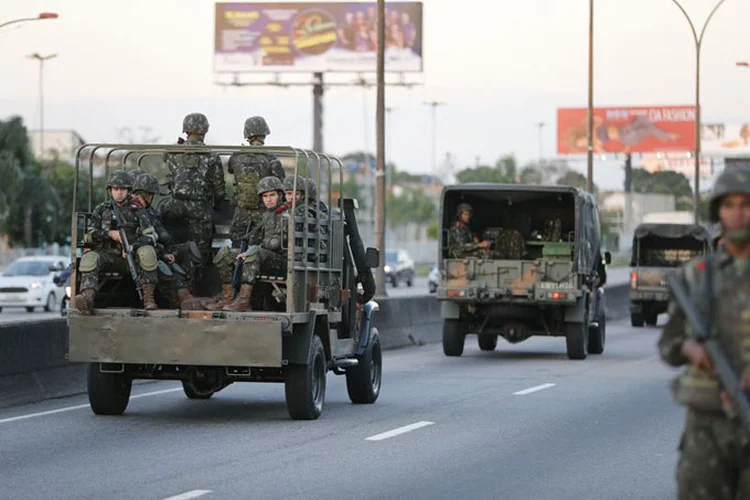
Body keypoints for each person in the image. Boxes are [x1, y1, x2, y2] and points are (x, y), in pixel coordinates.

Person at [658, 165, 750, 499]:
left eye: (745, 204)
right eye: (729, 205)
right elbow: (668, 346)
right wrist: (691, 350)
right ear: (718, 212)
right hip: (707, 427)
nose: (737, 214)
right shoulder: (697, 276)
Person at [73, 170, 160, 314]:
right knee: (89, 258)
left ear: (128, 190)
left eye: (123, 189)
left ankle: (149, 299)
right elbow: (90, 235)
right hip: (108, 256)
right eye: (115, 189)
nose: (119, 192)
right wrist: (109, 234)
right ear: (110, 190)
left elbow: (151, 236)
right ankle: (87, 300)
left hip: (132, 258)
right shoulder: (102, 209)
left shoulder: (138, 210)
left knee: (148, 253)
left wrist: (133, 246)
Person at [206, 176, 288, 312]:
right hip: (262, 258)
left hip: (281, 262)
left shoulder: (285, 214)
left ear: (280, 195)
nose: (268, 199)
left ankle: (244, 301)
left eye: (272, 195)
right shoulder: (266, 215)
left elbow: (274, 244)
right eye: (265, 196)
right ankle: (228, 297)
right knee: (225, 254)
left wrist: (252, 250)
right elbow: (257, 241)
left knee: (254, 252)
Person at [130, 173, 204, 310]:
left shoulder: (149, 211)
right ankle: (177, 298)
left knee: (189, 249)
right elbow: (135, 237)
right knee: (164, 266)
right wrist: (163, 252)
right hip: (142, 251)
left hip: (158, 248)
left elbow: (162, 235)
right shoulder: (130, 210)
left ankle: (188, 292)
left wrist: (170, 250)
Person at [162, 112, 226, 271]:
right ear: (205, 130)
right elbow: (219, 191)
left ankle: (175, 284)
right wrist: (217, 206)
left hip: (174, 206)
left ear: (186, 129)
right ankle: (198, 288)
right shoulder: (211, 156)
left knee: (173, 244)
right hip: (200, 210)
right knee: (201, 250)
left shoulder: (173, 152)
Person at [227, 116, 285, 249]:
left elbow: (230, 169)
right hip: (263, 211)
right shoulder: (271, 158)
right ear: (264, 133)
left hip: (241, 211)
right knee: (259, 246)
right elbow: (281, 182)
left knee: (236, 245)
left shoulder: (236, 156)